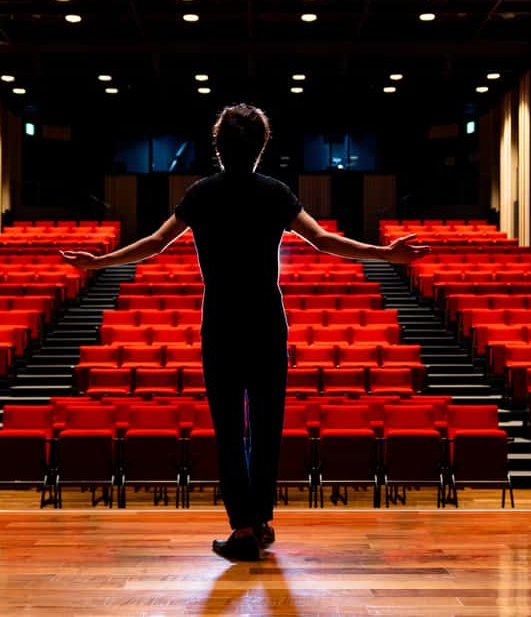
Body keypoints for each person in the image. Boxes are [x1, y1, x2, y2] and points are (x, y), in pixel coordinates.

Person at [61, 104, 429, 561]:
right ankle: (261, 521)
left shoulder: (200, 194)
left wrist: (97, 262)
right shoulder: (275, 193)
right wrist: (387, 254)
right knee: (268, 429)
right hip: (267, 324)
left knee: (231, 431)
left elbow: (154, 244)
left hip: (221, 324)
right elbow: (324, 241)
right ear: (260, 149)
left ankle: (244, 529)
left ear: (218, 148)